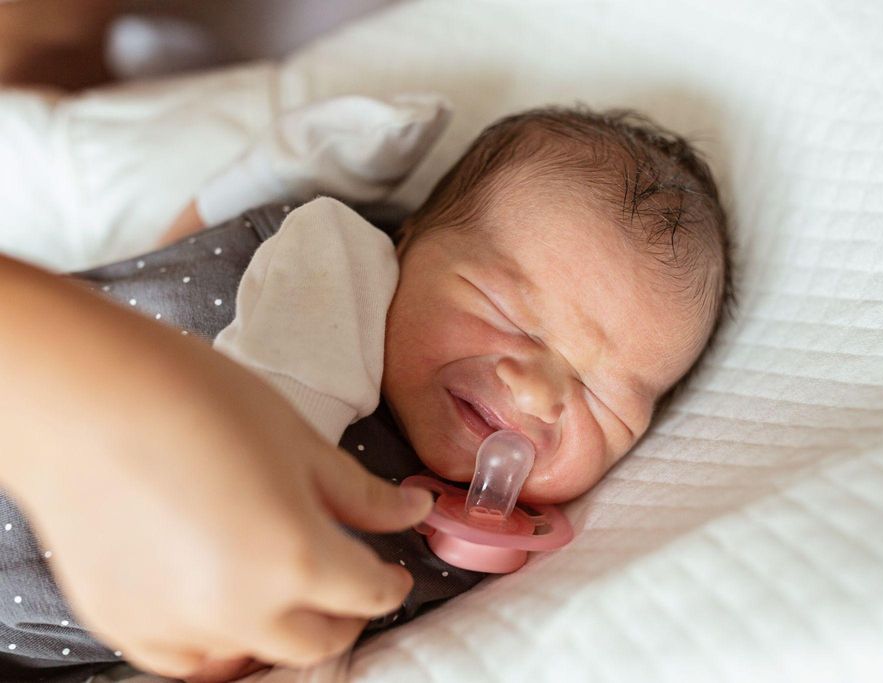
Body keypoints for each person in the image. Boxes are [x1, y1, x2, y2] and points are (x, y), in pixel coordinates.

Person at [0, 105, 731, 682]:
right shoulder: (334, 269)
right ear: (406, 243)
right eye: (505, 313)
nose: (538, 393)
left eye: (602, 394)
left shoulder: (459, 561)